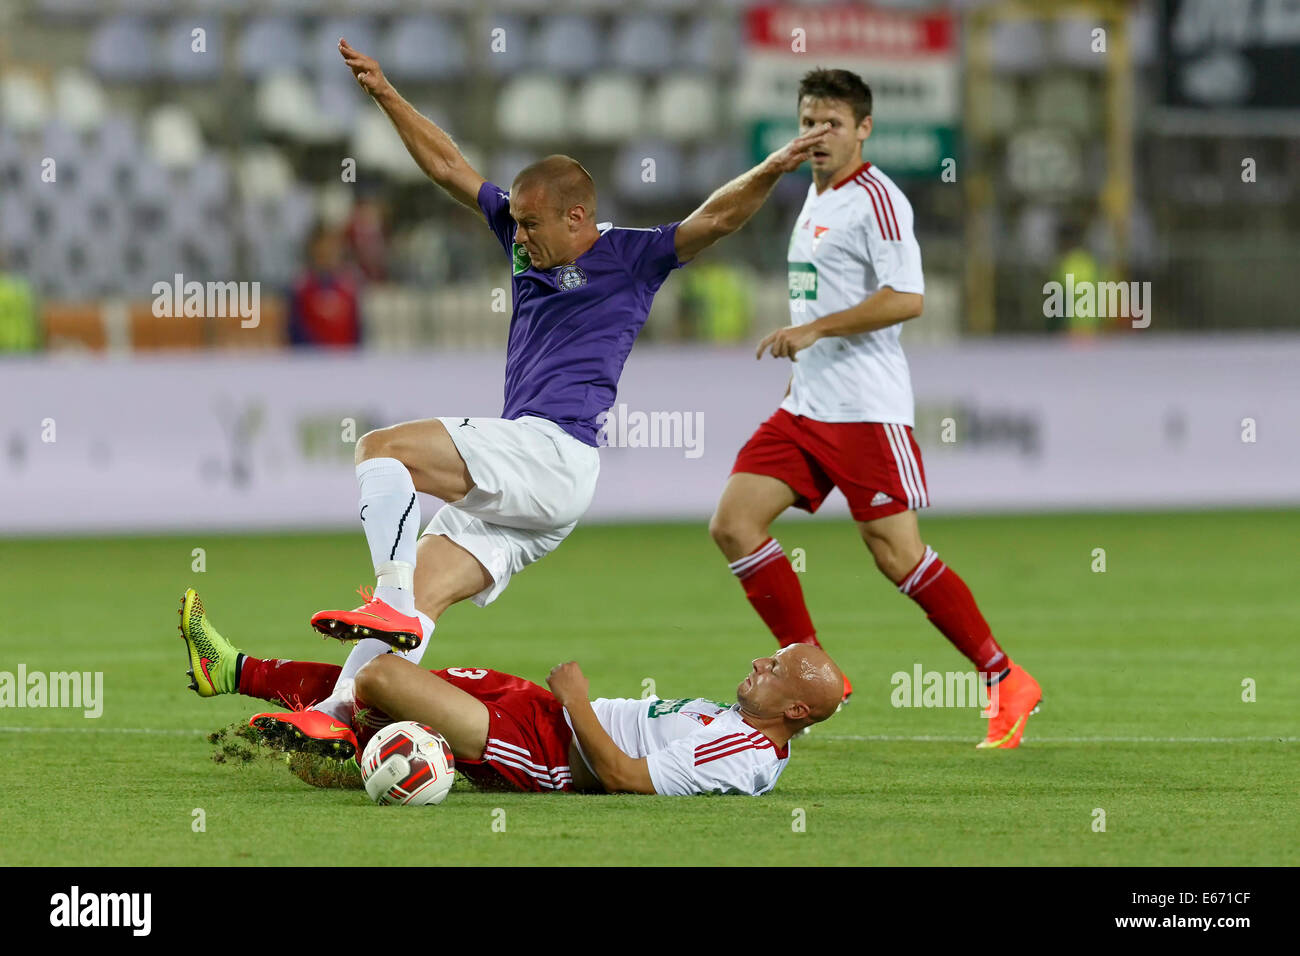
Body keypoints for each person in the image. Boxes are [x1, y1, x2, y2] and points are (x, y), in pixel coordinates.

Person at [252, 38, 834, 751]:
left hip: (549, 451)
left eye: (531, 225)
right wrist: (385, 94)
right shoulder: (525, 239)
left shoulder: (634, 257)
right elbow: (447, 166)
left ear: (578, 220)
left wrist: (774, 166)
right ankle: (341, 716)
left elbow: (715, 219)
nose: (518, 238)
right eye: (515, 223)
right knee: (430, 588)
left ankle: (388, 597)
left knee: (382, 450)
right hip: (542, 489)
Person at [708, 69, 1042, 749]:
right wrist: (804, 363)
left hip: (864, 409)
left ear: (864, 128)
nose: (816, 135)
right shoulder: (812, 192)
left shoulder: (878, 199)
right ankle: (812, 660)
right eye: (807, 121)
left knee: (897, 556)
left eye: (831, 123)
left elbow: (907, 298)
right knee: (734, 523)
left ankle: (1005, 677)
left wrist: (816, 330)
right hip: (807, 406)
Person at [179, 589, 843, 796]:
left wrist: (577, 698)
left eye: (776, 668)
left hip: (545, 749)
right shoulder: (746, 723)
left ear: (794, 710)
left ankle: (340, 742)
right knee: (396, 681)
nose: (760, 660)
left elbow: (622, 776)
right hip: (540, 712)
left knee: (382, 673)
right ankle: (236, 672)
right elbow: (830, 691)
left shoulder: (742, 754)